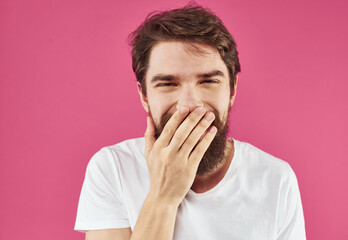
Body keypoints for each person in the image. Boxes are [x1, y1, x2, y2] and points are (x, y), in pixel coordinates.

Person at [74, 5, 306, 240]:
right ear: (144, 96)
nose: (189, 104)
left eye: (208, 81)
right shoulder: (112, 168)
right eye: (167, 84)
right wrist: (163, 197)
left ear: (232, 89)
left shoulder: (276, 178)